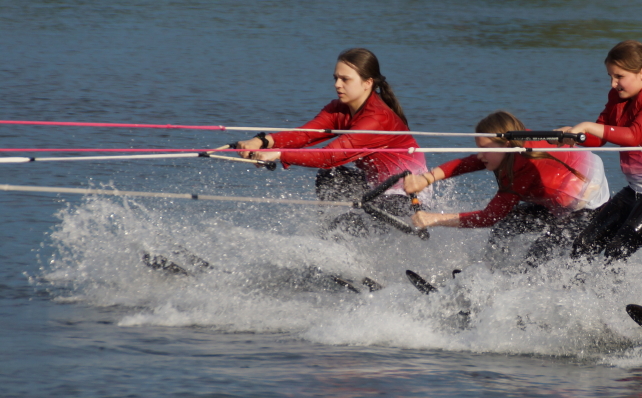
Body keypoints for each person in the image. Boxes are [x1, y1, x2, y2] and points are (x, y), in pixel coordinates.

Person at [236, 48, 427, 229]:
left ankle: (341, 249)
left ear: (367, 83)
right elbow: (305, 134)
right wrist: (261, 141)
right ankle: (326, 234)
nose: (337, 85)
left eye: (345, 79)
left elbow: (329, 157)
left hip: (408, 195)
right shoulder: (338, 108)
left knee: (348, 223)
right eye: (336, 78)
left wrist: (278, 154)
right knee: (330, 177)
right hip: (376, 188)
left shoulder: (377, 118)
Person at [402, 111, 610, 270]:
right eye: (479, 148)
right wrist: (425, 179)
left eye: (485, 149)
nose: (479, 155)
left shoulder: (521, 170)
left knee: (539, 253)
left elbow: (488, 217)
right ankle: (490, 272)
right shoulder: (514, 142)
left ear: (506, 144)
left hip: (589, 206)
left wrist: (433, 219)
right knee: (506, 226)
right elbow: (472, 162)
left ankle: (525, 296)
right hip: (558, 197)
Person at [557, 40, 642, 263]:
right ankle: (574, 293)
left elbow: (633, 135)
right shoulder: (617, 98)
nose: (613, 83)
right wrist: (574, 136)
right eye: (610, 76)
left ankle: (614, 296)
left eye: (619, 76)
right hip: (635, 190)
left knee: (616, 251)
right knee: (583, 245)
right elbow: (600, 138)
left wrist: (588, 126)